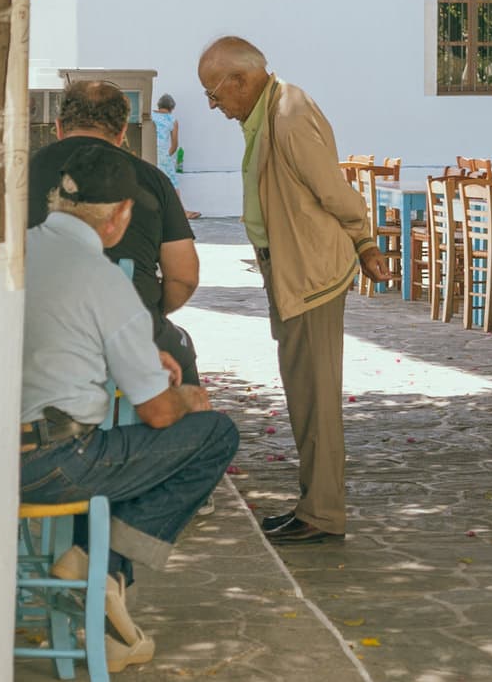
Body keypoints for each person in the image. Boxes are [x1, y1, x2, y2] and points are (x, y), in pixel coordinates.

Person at [20, 144, 239, 668]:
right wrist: (187, 395)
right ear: (120, 216)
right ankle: (102, 570)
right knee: (214, 434)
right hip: (58, 464)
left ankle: (97, 576)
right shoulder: (105, 281)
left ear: (56, 200)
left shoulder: (19, 249)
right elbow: (157, 414)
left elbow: (52, 335)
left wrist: (137, 353)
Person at [197, 35, 391, 545]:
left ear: (240, 79)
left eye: (215, 95)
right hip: (290, 270)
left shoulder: (288, 113)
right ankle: (313, 504)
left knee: (315, 397)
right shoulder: (266, 112)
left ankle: (323, 513)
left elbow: (333, 189)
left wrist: (366, 242)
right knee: (304, 394)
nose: (215, 107)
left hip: (310, 274)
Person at [29, 81, 203, 385]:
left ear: (58, 127)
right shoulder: (154, 181)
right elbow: (184, 276)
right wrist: (148, 310)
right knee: (183, 366)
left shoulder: (17, 176)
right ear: (122, 132)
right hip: (133, 337)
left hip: (35, 340)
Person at [151, 93, 202, 218]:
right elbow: (174, 145)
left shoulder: (151, 116)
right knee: (173, 183)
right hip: (162, 154)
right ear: (172, 108)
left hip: (148, 150)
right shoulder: (172, 120)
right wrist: (166, 156)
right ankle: (182, 212)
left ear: (158, 105)